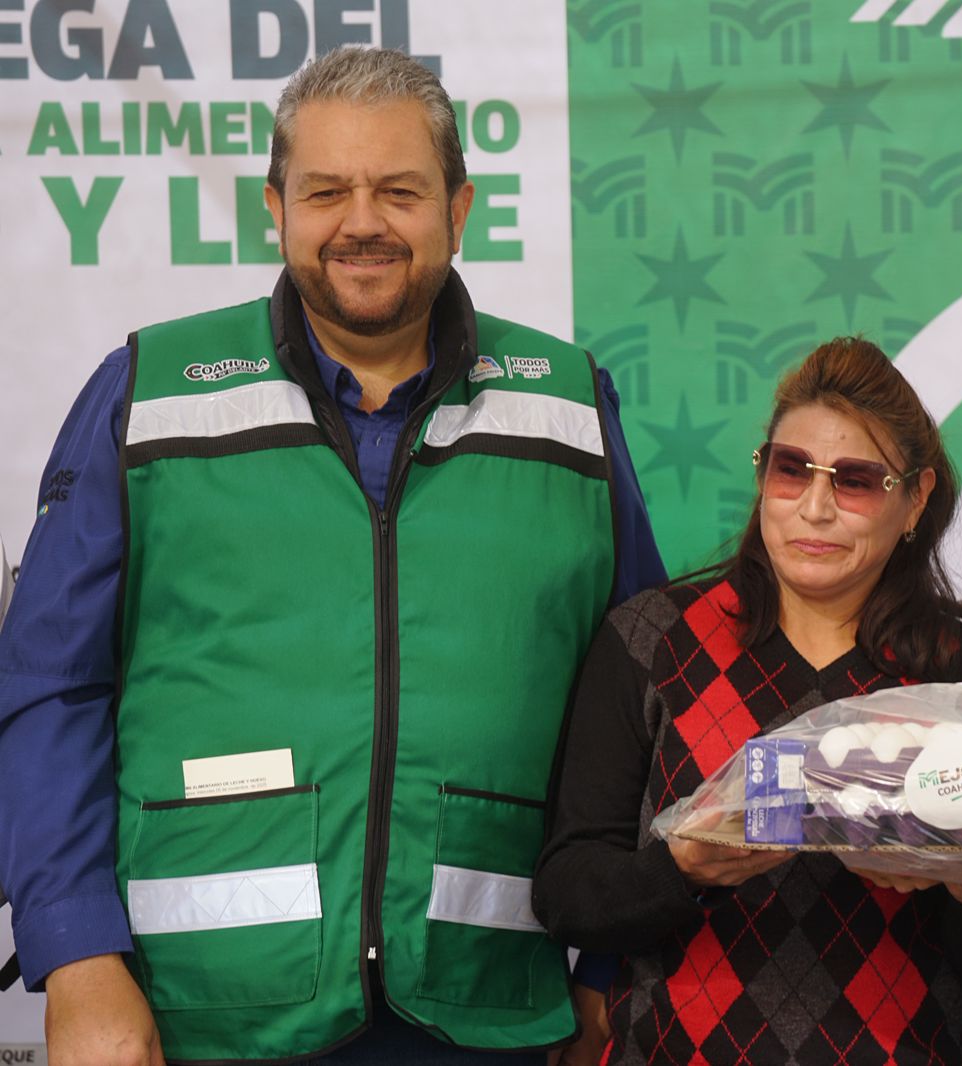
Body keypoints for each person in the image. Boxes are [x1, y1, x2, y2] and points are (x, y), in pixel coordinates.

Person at [0, 46, 665, 1065]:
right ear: (275, 207)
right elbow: (50, 686)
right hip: (195, 1019)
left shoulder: (567, 408)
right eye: (325, 192)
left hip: (490, 1015)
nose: (363, 222)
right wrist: (77, 955)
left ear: (459, 209)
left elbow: (650, 702)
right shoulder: (149, 394)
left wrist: (611, 965)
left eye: (400, 190)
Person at [532, 337, 962, 1065]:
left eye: (856, 481)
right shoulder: (652, 640)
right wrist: (684, 870)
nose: (815, 507)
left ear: (915, 498)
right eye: (790, 469)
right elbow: (567, 894)